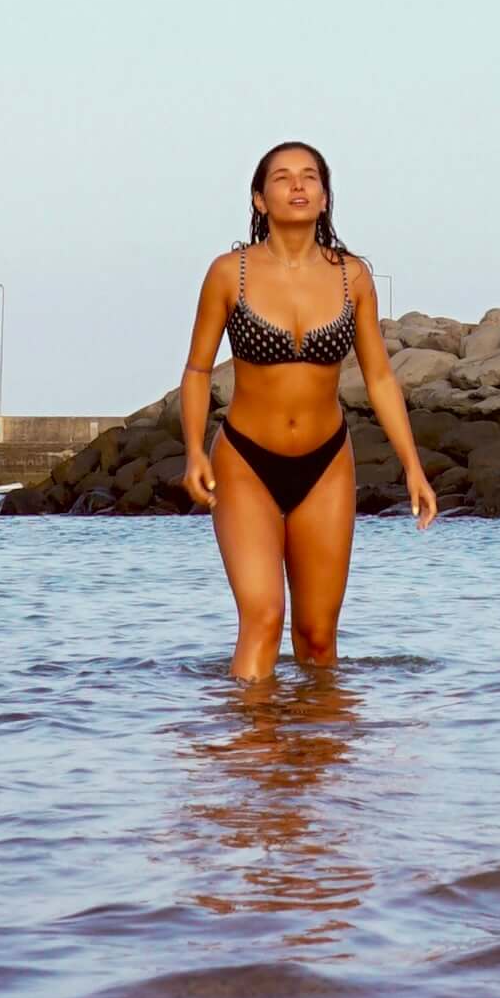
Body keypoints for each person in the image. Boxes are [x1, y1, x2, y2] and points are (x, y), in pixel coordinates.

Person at [176, 142, 438, 682]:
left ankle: (317, 737)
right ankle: (249, 734)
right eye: (282, 177)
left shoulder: (352, 277)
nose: (297, 185)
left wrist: (413, 466)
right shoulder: (229, 273)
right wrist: (194, 451)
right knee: (263, 617)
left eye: (309, 176)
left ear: (324, 197)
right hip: (245, 461)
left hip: (326, 464)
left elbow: (380, 377)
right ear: (259, 199)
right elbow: (198, 370)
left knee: (318, 636)